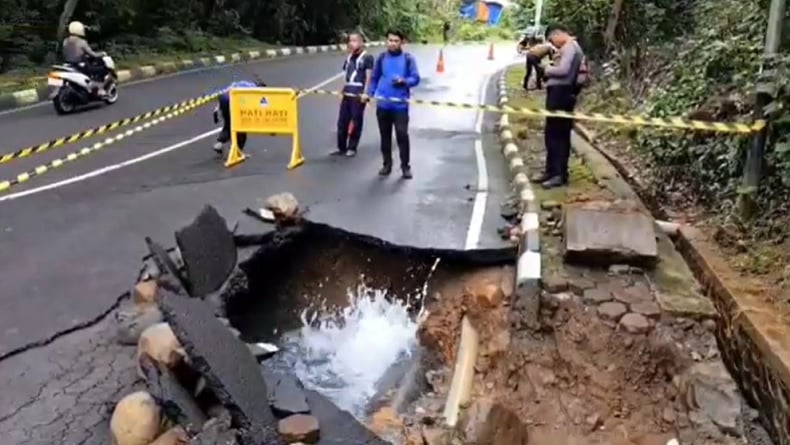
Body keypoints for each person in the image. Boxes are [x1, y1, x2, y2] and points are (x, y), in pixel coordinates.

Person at [537, 24, 586, 189]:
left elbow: (564, 70)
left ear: (558, 34)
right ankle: (551, 171)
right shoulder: (570, 47)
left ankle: (558, 174)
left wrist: (547, 69)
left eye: (552, 40)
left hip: (562, 94)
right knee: (552, 134)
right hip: (560, 93)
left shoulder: (571, 48)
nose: (553, 44)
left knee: (558, 135)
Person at [367, 30, 420, 179]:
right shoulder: (382, 58)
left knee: (402, 135)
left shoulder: (408, 59)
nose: (393, 43)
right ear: (386, 41)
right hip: (383, 105)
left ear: (401, 42)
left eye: (396, 41)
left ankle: (405, 167)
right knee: (385, 136)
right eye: (390, 40)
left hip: (400, 106)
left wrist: (404, 81)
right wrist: (370, 93)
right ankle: (387, 164)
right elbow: (374, 77)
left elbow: (415, 78)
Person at [332, 32, 374, 157]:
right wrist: (341, 92)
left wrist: (366, 93)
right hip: (347, 91)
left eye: (355, 41)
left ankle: (352, 147)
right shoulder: (349, 58)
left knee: (356, 121)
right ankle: (341, 147)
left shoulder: (367, 57)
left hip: (358, 92)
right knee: (342, 121)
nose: (351, 43)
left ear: (361, 42)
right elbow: (346, 76)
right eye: (350, 41)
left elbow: (369, 76)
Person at [212, 79, 267, 155]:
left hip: (223, 98)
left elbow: (227, 91)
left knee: (228, 124)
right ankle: (237, 152)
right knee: (241, 128)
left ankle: (219, 144)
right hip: (233, 101)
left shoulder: (242, 83)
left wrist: (216, 109)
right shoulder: (255, 91)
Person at [61, 21, 109, 95]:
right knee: (102, 69)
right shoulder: (82, 42)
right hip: (79, 65)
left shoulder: (65, 41)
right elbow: (93, 55)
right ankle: (100, 89)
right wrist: (102, 53)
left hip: (67, 64)